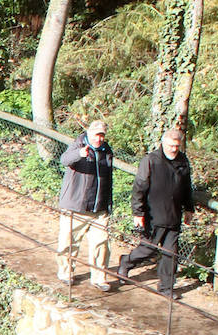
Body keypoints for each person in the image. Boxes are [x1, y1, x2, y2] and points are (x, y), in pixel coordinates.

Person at [118, 128, 194, 297]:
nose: (174, 149)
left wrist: (189, 209)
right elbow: (139, 187)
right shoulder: (151, 160)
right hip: (153, 215)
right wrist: (138, 212)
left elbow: (187, 187)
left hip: (174, 216)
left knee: (171, 254)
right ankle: (126, 262)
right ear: (163, 143)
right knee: (148, 249)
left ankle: (166, 288)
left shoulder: (183, 161)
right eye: (171, 145)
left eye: (176, 146)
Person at [56, 120, 115, 291]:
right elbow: (64, 160)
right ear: (89, 133)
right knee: (69, 242)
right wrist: (80, 154)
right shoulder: (77, 145)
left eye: (102, 135)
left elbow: (108, 178)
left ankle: (99, 277)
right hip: (75, 206)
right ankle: (65, 272)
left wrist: (108, 203)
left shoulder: (107, 151)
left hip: (100, 208)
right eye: (97, 135)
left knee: (101, 243)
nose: (99, 138)